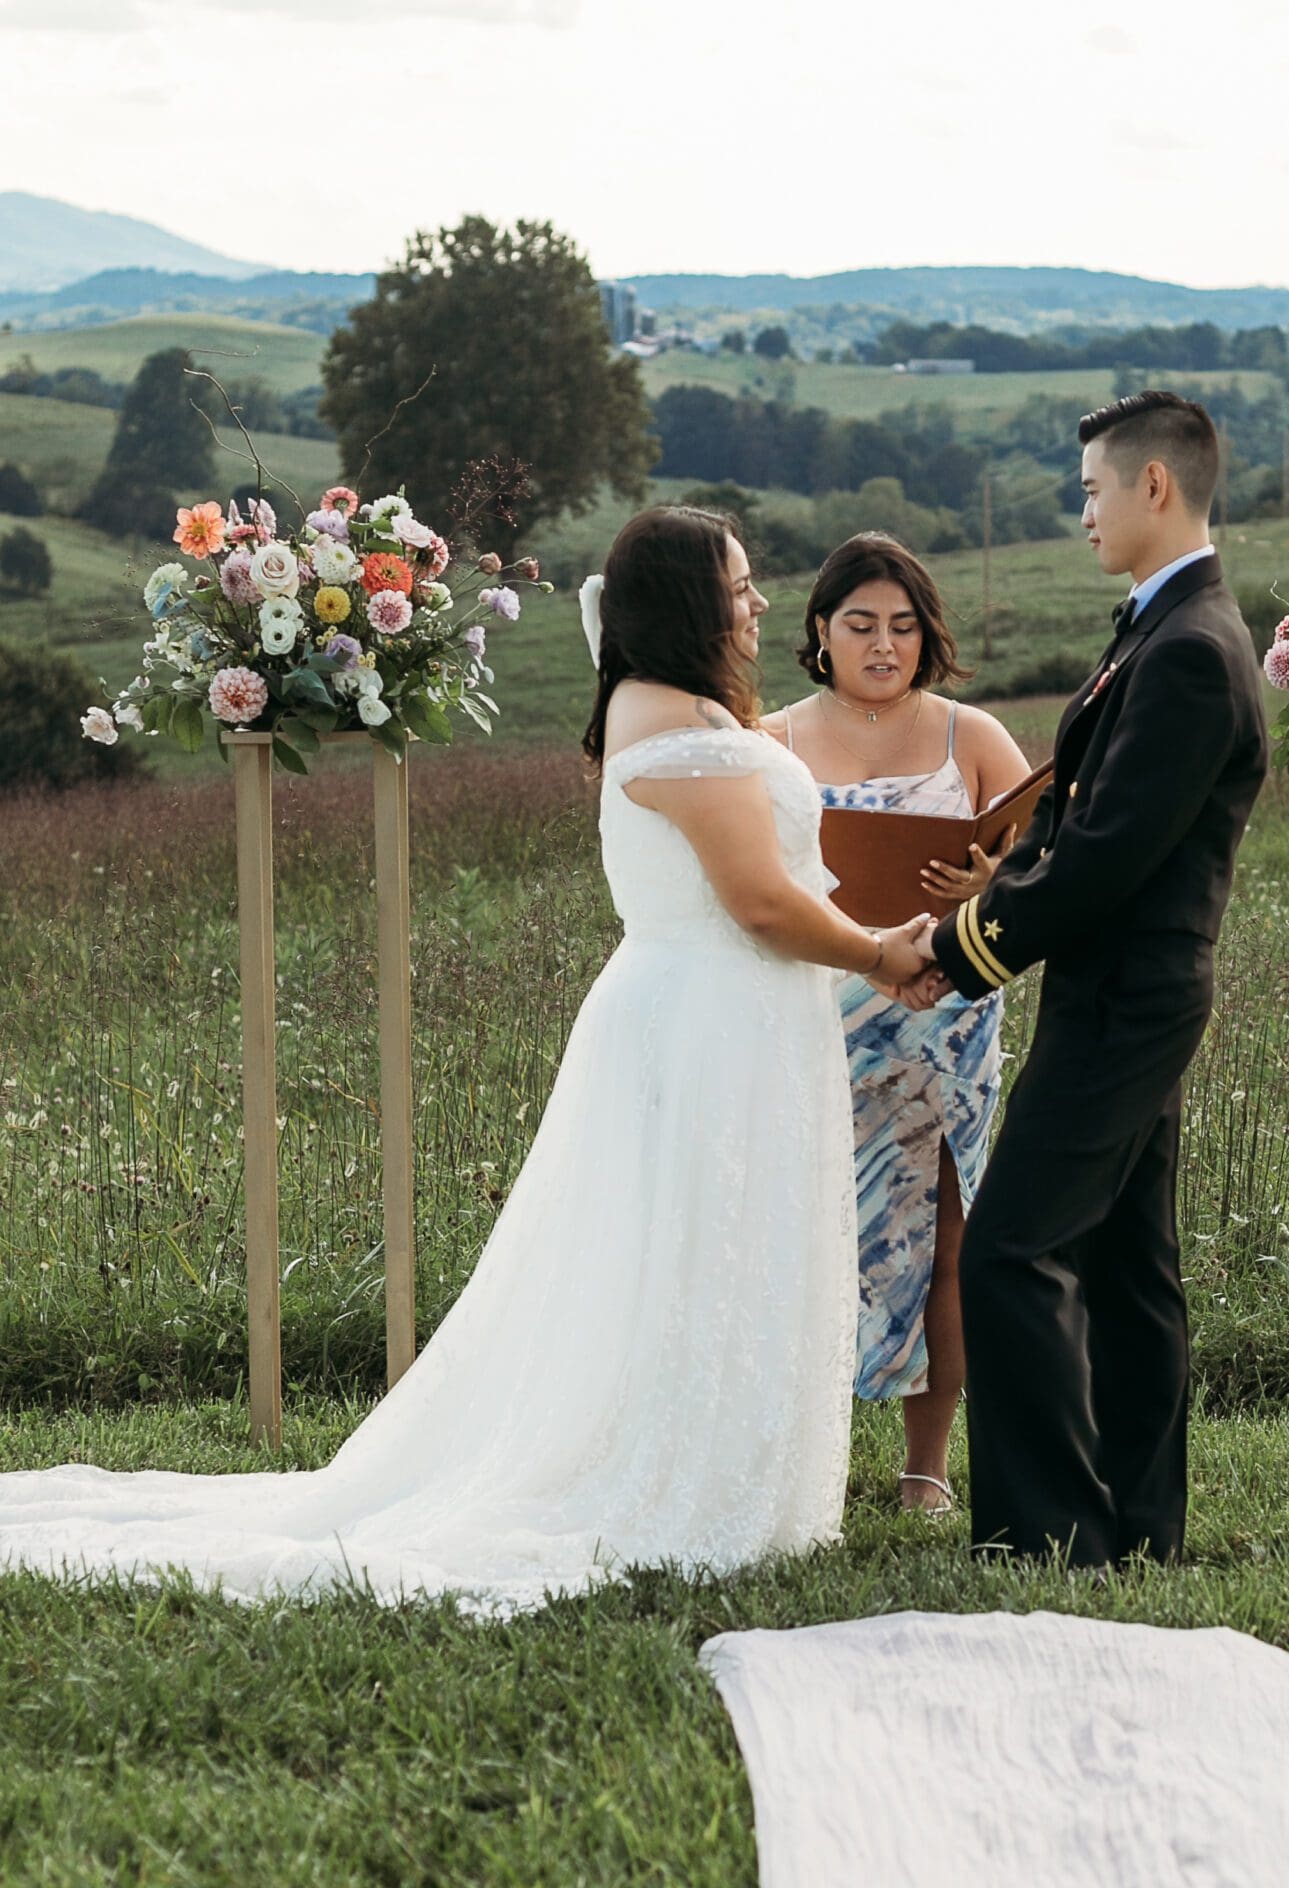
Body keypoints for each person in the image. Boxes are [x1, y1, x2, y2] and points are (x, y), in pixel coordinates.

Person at [0, 506, 932, 1614]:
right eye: (738, 585)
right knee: (685, 1249)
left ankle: (726, 1464)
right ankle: (677, 1482)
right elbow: (759, 897)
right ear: (689, 599)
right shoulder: (666, 716)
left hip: (739, 1017)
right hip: (706, 1021)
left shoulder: (675, 706)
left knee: (714, 1247)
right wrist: (877, 953)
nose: (758, 603)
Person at [901, 393, 1268, 1572]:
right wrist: (1003, 869)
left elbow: (1109, 859)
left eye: (1092, 493)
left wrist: (960, 948)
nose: (1085, 516)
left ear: (1155, 486)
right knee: (1125, 1259)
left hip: (1131, 994)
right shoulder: (1163, 630)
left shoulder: (1195, 650)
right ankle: (1139, 1523)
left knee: (1011, 1247)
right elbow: (1085, 816)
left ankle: (1051, 1531)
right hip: (1125, 988)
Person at [764, 535, 1030, 1513]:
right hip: (819, 1022)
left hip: (948, 1025)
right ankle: (806, 1457)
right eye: (861, 624)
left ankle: (927, 1466)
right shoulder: (773, 742)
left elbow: (1052, 862)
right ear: (820, 633)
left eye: (904, 626)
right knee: (808, 1236)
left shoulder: (974, 738)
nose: (884, 645)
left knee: (949, 1239)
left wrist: (995, 880)